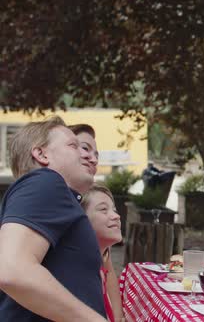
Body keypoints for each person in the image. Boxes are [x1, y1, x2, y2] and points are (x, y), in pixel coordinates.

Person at [0, 116, 107, 321]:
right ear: (41, 154)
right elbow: (12, 270)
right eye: (74, 146)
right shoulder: (45, 181)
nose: (89, 157)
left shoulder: (51, 192)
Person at [69, 123, 125, 322]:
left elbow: (108, 274)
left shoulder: (101, 248)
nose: (92, 158)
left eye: (96, 154)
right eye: (85, 149)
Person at [81, 184, 124, 322]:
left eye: (114, 210)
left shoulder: (103, 255)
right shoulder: (80, 272)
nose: (116, 216)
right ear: (81, 220)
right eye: (104, 210)